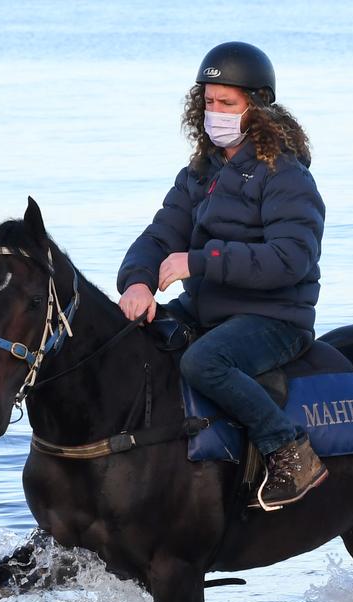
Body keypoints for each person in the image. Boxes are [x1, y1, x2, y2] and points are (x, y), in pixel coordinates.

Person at [116, 41, 327, 510]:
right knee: (133, 342)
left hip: (275, 319)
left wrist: (199, 261)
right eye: (208, 103)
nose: (215, 113)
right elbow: (158, 236)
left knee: (201, 363)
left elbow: (291, 258)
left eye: (227, 103)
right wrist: (137, 281)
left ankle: (289, 451)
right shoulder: (197, 173)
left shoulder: (286, 176)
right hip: (206, 310)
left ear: (257, 107)